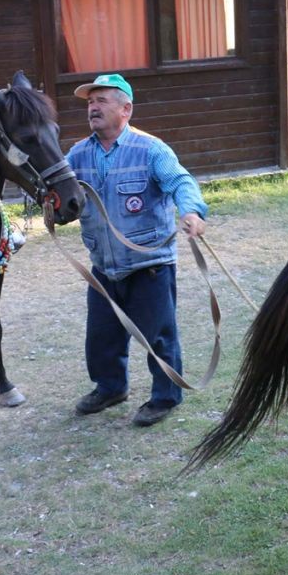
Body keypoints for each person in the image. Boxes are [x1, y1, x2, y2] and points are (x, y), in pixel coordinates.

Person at [66, 73, 208, 427]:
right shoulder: (77, 154)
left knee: (159, 335)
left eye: (102, 101)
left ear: (126, 108)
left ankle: (165, 396)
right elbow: (65, 199)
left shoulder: (151, 149)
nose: (93, 108)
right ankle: (110, 387)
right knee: (102, 336)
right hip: (103, 267)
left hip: (150, 265)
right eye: (89, 103)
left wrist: (191, 210)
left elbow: (180, 181)